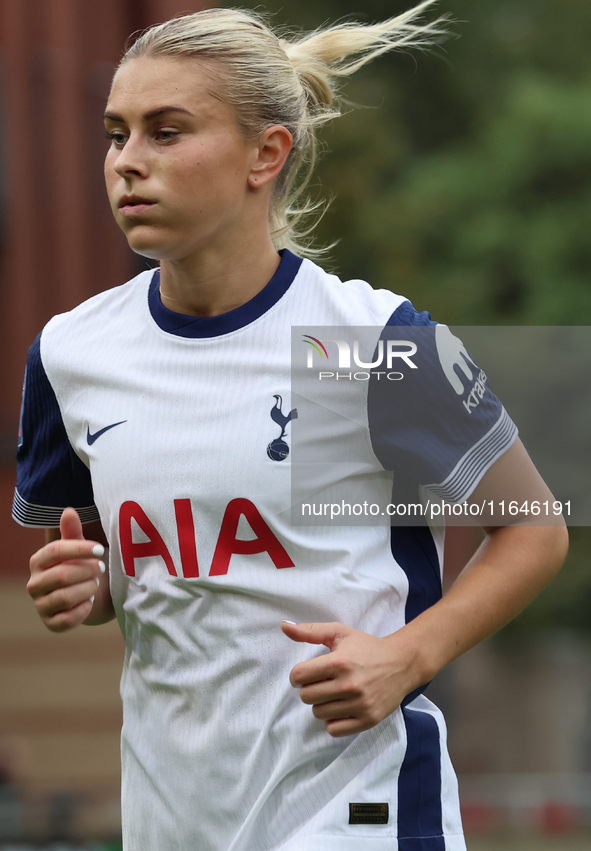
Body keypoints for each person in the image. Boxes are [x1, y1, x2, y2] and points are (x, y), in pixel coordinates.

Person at [14, 4, 568, 850]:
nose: (128, 163)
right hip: (172, 814)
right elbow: (133, 568)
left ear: (265, 154)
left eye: (167, 132)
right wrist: (91, 586)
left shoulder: (363, 342)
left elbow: (534, 531)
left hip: (357, 805)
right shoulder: (73, 352)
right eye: (115, 133)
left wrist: (409, 656)